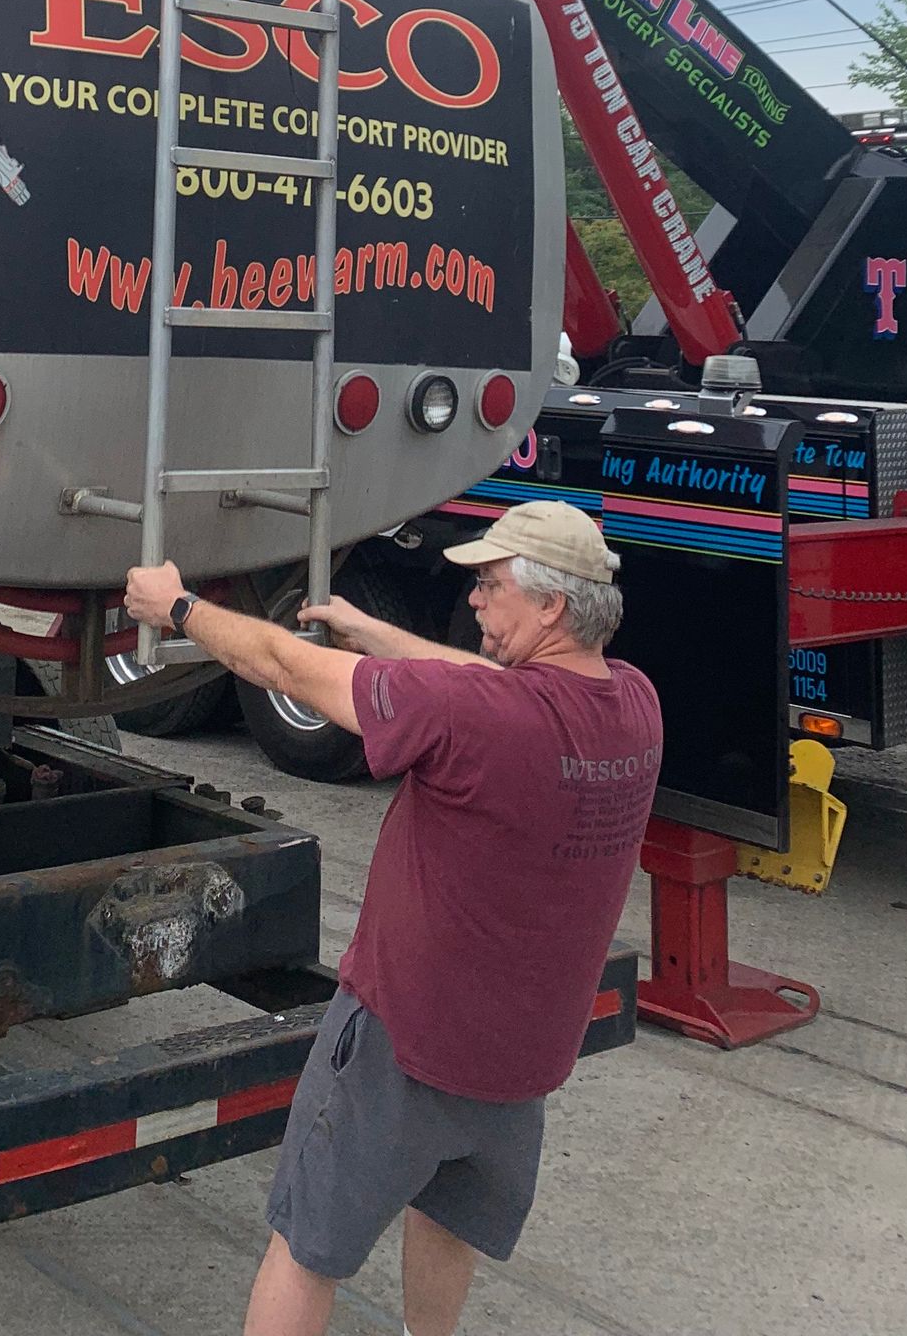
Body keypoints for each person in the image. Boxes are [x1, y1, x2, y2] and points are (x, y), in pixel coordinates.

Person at [124, 498, 662, 1336]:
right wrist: (372, 632)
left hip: (402, 1040)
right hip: (523, 1058)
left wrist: (178, 608)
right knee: (450, 1216)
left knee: (306, 1246)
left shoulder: (473, 720)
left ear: (550, 605)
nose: (476, 599)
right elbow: (487, 685)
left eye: (490, 584)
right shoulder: (633, 705)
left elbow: (283, 667)